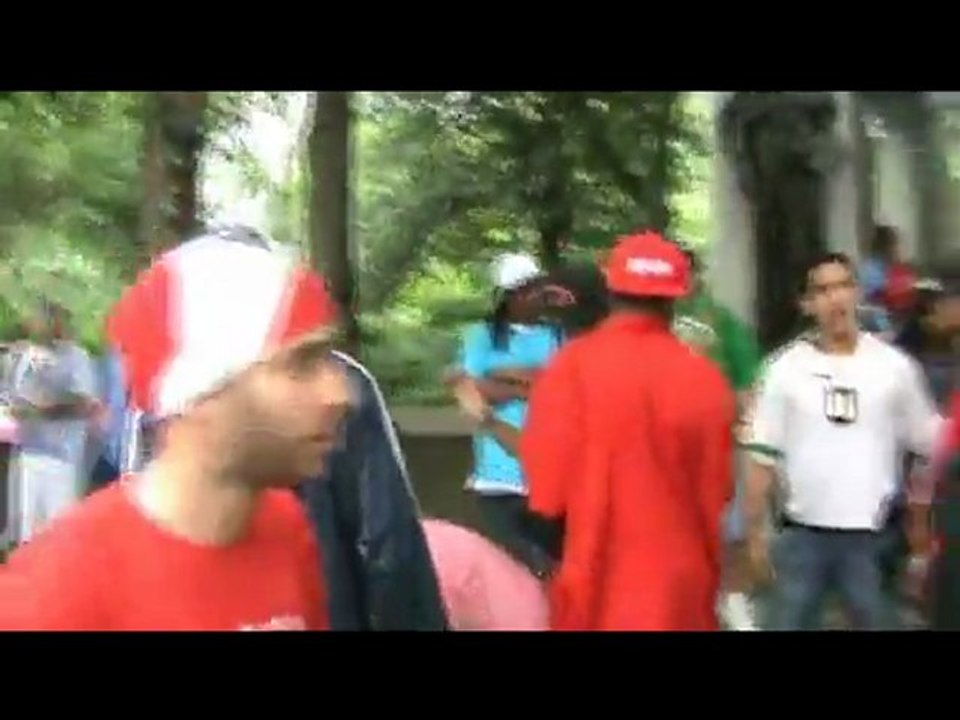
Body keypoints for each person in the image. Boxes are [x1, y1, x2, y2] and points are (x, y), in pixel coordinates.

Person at [0, 231, 345, 630]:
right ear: (200, 393)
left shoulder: (287, 529)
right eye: (301, 365)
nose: (339, 394)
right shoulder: (55, 594)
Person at [520, 231, 736, 631]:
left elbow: (546, 491)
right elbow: (717, 490)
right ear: (675, 297)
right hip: (680, 585)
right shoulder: (705, 379)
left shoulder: (571, 368)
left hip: (595, 580)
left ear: (611, 288)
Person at [743, 251, 942, 631]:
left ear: (858, 293)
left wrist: (922, 522)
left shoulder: (894, 368)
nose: (836, 299)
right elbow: (761, 456)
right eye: (823, 290)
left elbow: (929, 444)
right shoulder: (784, 371)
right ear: (806, 303)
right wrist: (755, 536)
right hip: (803, 535)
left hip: (875, 537)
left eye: (844, 286)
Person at [447, 252, 563, 578]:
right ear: (507, 297)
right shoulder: (481, 336)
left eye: (536, 287)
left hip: (548, 475)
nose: (534, 296)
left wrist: (506, 374)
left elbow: (560, 385)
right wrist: (522, 388)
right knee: (510, 569)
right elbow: (472, 386)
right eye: (524, 290)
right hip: (497, 477)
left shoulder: (556, 335)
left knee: (551, 568)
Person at [673, 245, 762, 630]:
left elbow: (748, 384)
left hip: (717, 443)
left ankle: (736, 602)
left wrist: (742, 424)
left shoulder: (723, 322)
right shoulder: (643, 323)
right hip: (663, 450)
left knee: (731, 532)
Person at [7, 302, 99, 544]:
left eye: (41, 318)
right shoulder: (25, 357)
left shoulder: (76, 357)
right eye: (33, 318)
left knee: (59, 535)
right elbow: (14, 396)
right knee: (28, 537)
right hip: (28, 455)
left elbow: (86, 404)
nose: (35, 324)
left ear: (55, 322)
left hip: (61, 458)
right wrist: (18, 410)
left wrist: (49, 408)